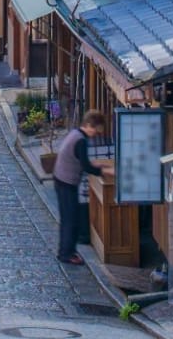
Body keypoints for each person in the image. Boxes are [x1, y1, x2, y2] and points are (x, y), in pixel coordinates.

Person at [52, 110, 107, 265]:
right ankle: (66, 254)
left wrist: (99, 165)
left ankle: (65, 251)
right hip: (66, 182)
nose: (95, 134)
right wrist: (105, 171)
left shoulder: (75, 133)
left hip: (61, 178)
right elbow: (87, 167)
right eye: (96, 131)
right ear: (89, 125)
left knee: (67, 219)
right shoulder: (81, 140)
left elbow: (82, 161)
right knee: (71, 220)